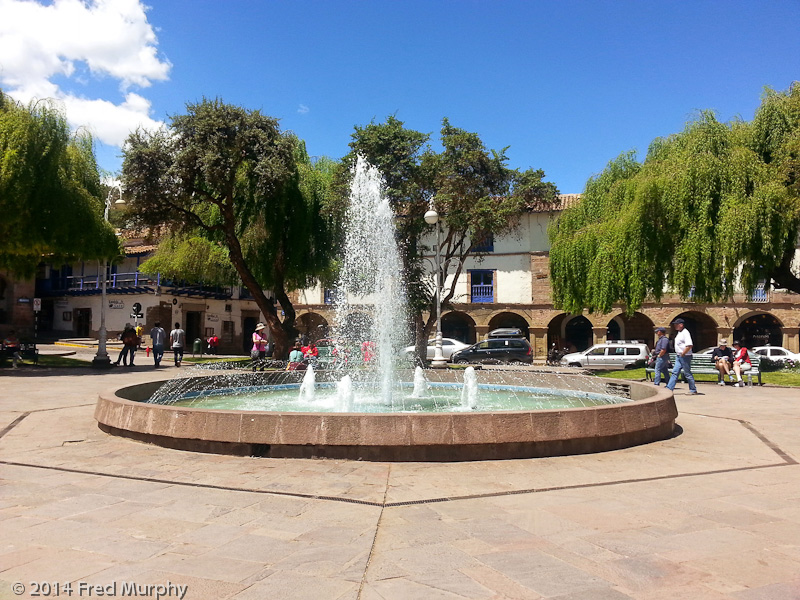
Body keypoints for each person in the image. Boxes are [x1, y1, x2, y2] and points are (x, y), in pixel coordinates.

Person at [665, 318, 699, 395]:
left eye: (676, 324)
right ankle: (669, 388)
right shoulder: (679, 333)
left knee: (687, 373)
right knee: (675, 372)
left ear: (681, 325)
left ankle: (693, 389)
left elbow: (689, 345)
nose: (675, 326)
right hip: (679, 356)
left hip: (685, 356)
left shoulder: (685, 333)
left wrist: (683, 353)